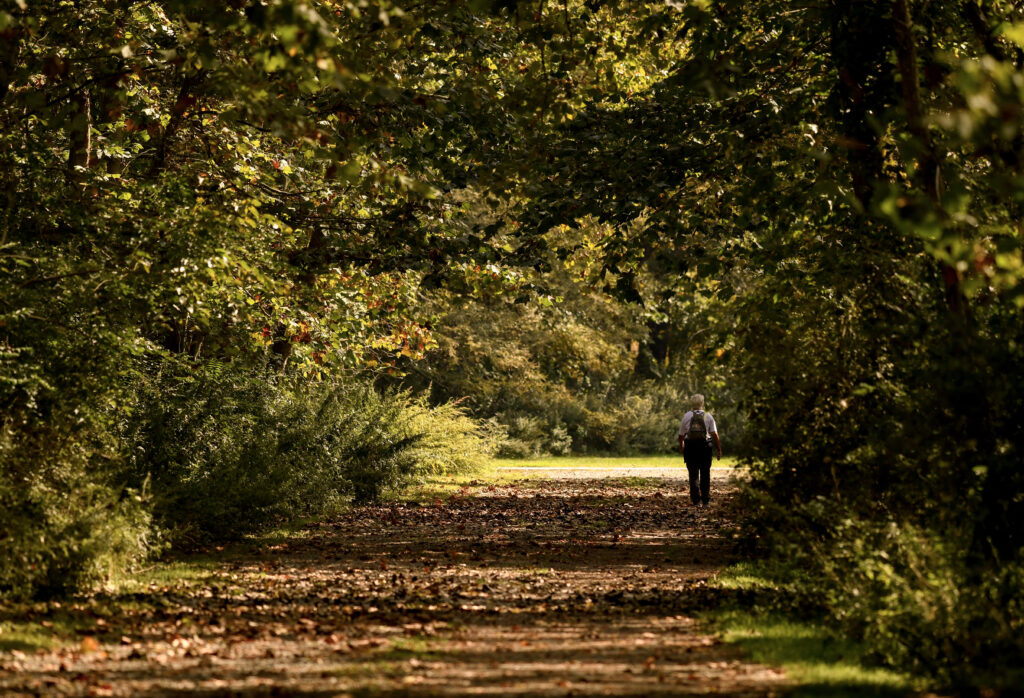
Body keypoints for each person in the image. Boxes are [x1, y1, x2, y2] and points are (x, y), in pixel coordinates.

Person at [678, 394, 722, 509]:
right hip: (705, 448)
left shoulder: (687, 416)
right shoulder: (708, 416)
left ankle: (696, 501)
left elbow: (681, 435)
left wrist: (682, 446)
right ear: (702, 403)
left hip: (691, 448)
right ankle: (706, 502)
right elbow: (714, 434)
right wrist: (718, 449)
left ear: (692, 404)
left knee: (693, 475)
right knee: (705, 474)